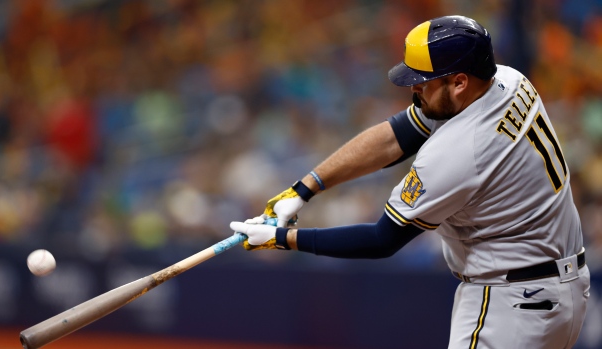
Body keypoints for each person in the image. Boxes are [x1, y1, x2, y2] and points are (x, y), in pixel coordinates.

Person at [229, 15, 589, 348]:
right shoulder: (508, 79)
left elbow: (381, 239)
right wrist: (304, 188)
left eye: (422, 81)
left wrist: (282, 239)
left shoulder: (460, 151)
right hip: (564, 287)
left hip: (511, 303)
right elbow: (395, 136)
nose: (413, 88)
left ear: (459, 82)